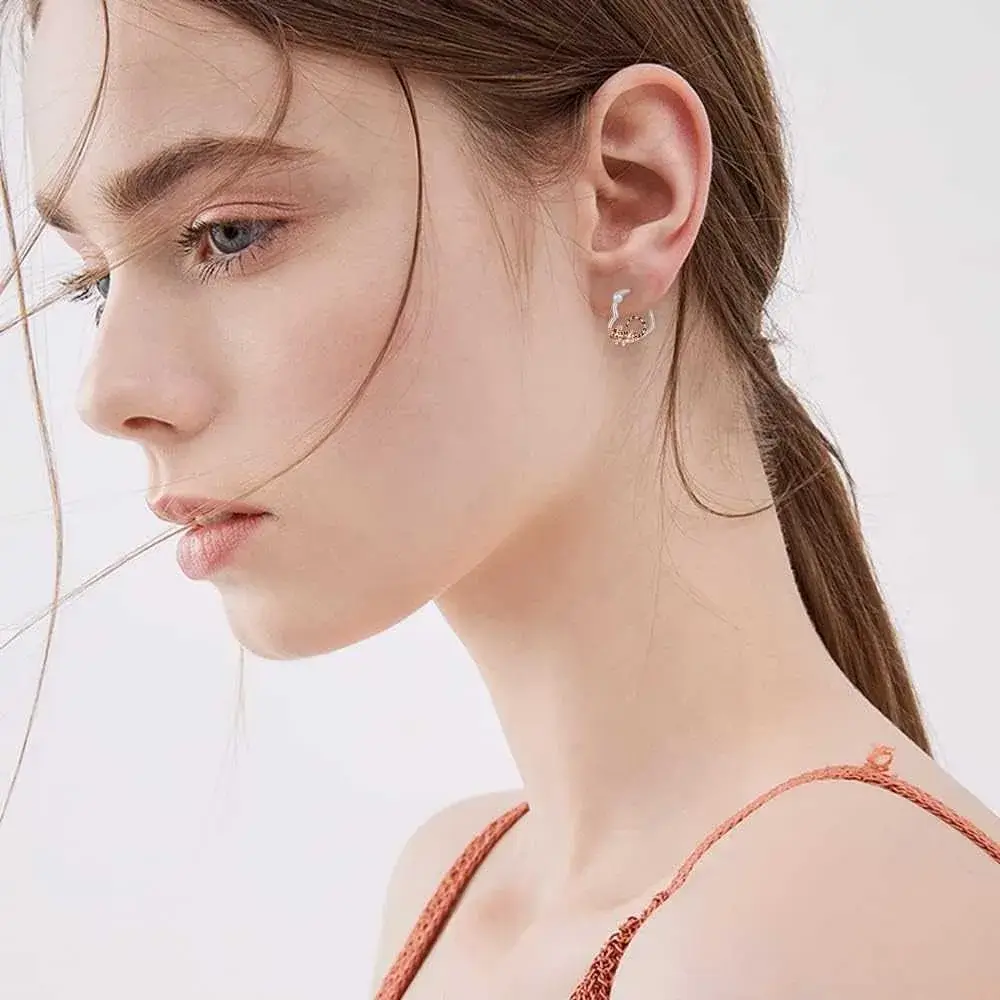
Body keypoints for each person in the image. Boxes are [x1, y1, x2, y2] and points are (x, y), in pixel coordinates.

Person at [5, 0, 999, 997]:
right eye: (93, 282)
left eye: (228, 232)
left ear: (630, 193)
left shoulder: (813, 925)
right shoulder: (456, 887)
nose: (105, 392)